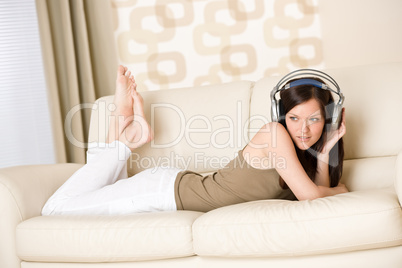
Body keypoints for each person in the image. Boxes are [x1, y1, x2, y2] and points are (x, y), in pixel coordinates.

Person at [42, 66, 348, 216]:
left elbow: (314, 190)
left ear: (329, 119)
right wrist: (341, 189)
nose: (304, 130)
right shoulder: (275, 134)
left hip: (170, 188)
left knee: (103, 189)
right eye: (294, 118)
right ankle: (131, 137)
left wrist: (324, 154)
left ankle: (125, 123)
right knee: (54, 210)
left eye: (314, 119)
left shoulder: (299, 154)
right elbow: (313, 196)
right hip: (159, 193)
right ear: (282, 117)